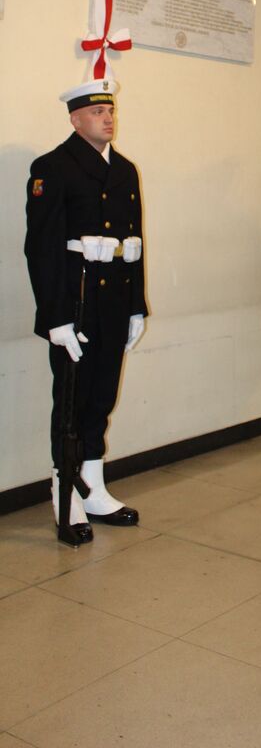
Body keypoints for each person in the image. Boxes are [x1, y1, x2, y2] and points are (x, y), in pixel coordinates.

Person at [25, 76, 146, 543]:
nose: (108, 118)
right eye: (97, 112)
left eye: (110, 110)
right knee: (72, 400)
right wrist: (55, 317)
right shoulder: (53, 167)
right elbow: (42, 248)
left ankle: (92, 487)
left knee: (102, 397)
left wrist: (136, 306)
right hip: (75, 303)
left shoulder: (126, 169)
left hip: (114, 300)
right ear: (75, 120)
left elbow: (134, 243)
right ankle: (66, 493)